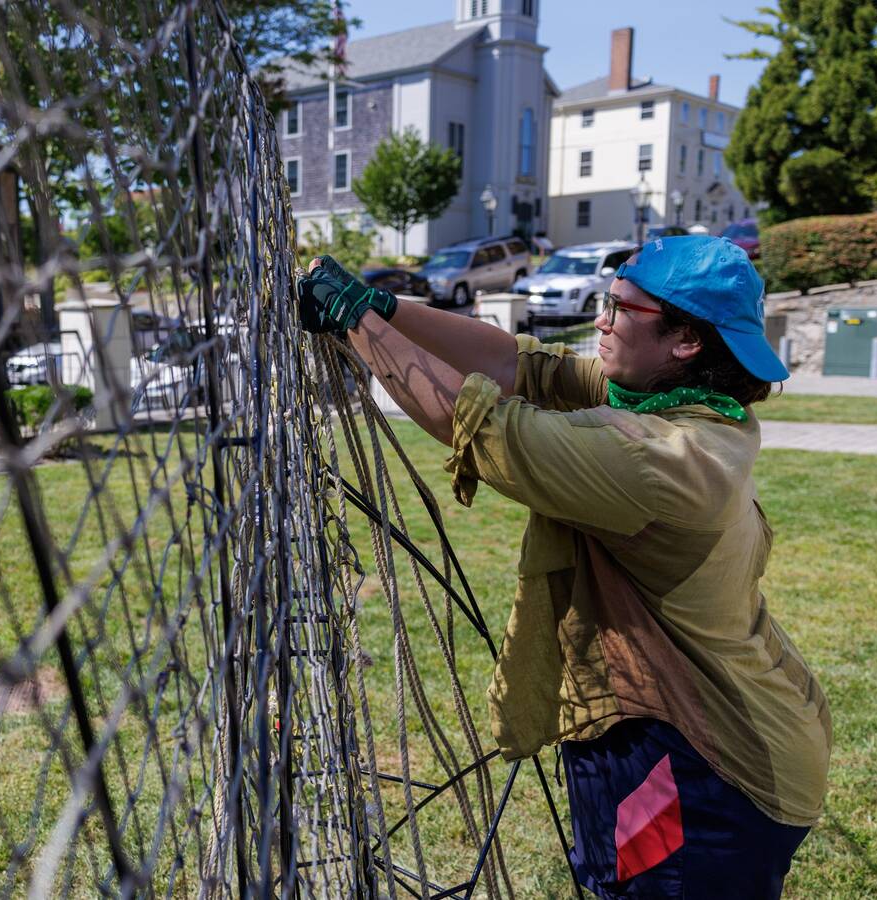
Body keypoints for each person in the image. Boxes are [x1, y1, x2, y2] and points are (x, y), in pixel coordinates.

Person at [297, 236, 831, 898]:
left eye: (619, 309)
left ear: (685, 340)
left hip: (703, 767)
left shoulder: (661, 458)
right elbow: (514, 364)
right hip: (666, 738)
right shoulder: (668, 401)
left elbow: (488, 427)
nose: (601, 319)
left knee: (643, 885)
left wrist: (355, 319)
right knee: (618, 879)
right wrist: (383, 306)